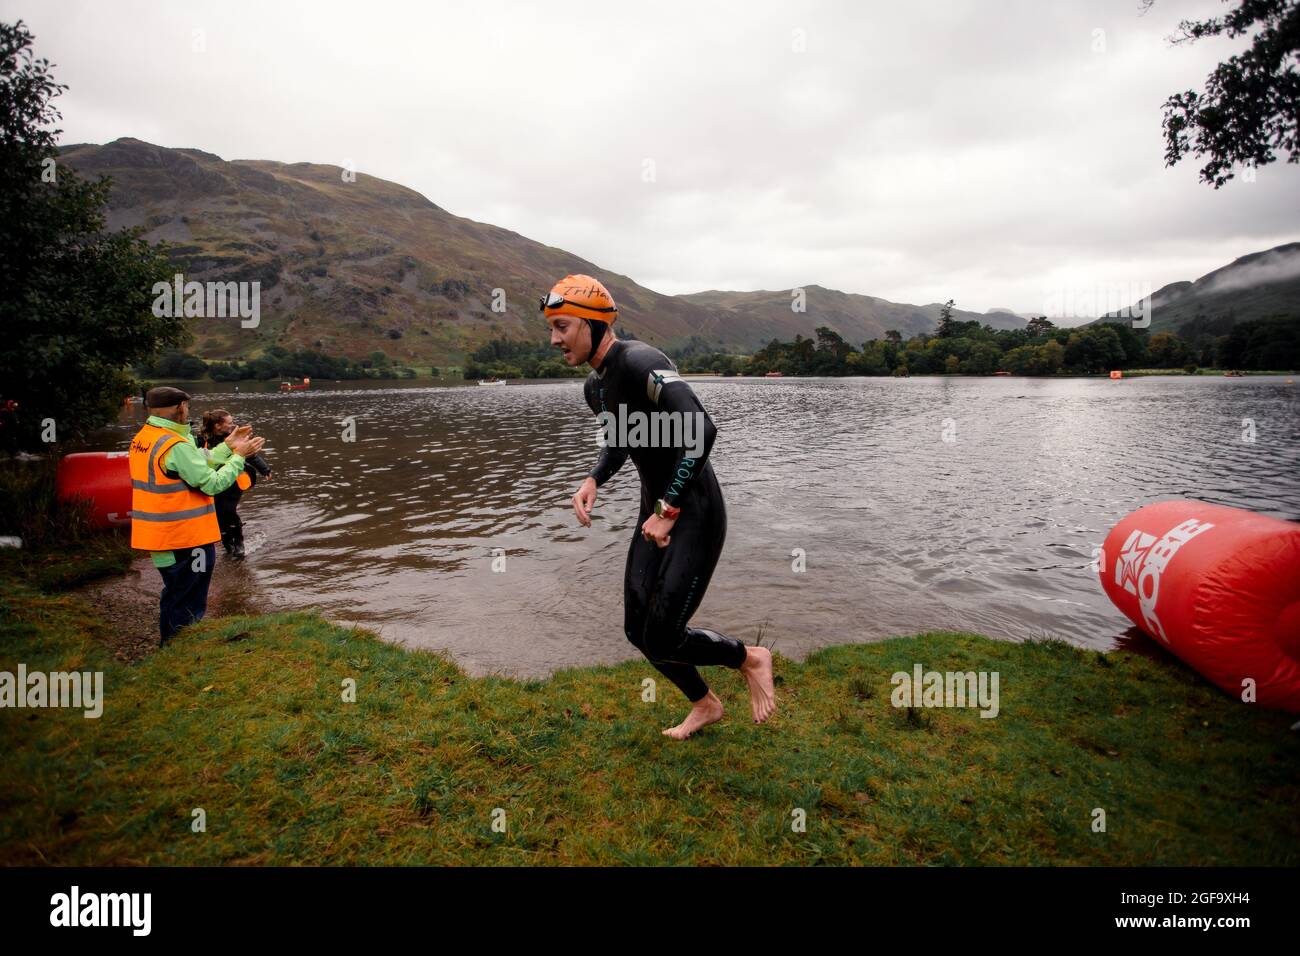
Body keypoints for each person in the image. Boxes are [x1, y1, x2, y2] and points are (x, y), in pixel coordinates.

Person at [545, 274, 776, 740]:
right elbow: (621, 441)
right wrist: (594, 479)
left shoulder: (641, 361)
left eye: (563, 327)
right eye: (551, 328)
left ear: (593, 324)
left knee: (666, 632)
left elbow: (701, 430)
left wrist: (669, 507)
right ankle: (706, 704)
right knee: (639, 630)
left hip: (693, 511)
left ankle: (750, 658)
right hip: (655, 512)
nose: (554, 339)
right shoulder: (597, 388)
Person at [128, 386, 264, 644]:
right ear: (180, 407)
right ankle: (180, 647)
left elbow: (195, 462)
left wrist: (226, 447)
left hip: (159, 536)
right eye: (187, 407)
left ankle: (171, 645)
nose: (188, 411)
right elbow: (210, 483)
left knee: (175, 593)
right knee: (187, 597)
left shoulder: (145, 438)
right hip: (184, 537)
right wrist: (238, 458)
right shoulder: (175, 444)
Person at [199, 408, 272, 560]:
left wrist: (265, 470)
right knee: (218, 514)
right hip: (213, 480)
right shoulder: (201, 440)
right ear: (218, 426)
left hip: (233, 481)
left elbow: (251, 455)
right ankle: (227, 543)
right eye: (230, 423)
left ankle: (239, 542)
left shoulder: (234, 438)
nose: (233, 426)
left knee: (228, 510)